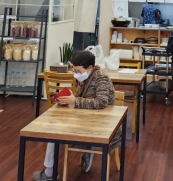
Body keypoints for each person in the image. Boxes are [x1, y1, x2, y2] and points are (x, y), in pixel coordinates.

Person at [33, 50, 118, 181]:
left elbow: (101, 102)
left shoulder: (102, 78)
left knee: (57, 131)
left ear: (90, 67)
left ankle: (50, 172)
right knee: (54, 130)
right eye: (74, 70)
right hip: (85, 117)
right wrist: (67, 98)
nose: (76, 74)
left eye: (78, 71)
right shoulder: (85, 77)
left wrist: (75, 101)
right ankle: (51, 171)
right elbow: (78, 97)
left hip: (102, 123)